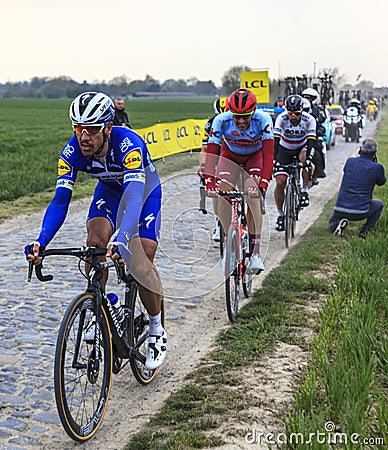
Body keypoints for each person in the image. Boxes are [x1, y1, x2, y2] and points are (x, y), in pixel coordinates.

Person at [25, 91, 166, 370]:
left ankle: (156, 328)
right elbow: (60, 200)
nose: (83, 136)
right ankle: (101, 306)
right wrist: (41, 241)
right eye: (78, 128)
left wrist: (124, 238)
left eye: (91, 129)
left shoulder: (129, 144)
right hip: (110, 192)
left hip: (144, 193)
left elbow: (135, 197)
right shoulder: (71, 152)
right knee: (94, 242)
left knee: (141, 261)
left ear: (108, 128)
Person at [204, 88, 274, 273]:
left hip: (255, 157)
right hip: (230, 157)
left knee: (253, 196)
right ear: (230, 113)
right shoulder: (221, 120)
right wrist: (210, 182)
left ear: (253, 112)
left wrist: (263, 185)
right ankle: (228, 241)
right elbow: (212, 153)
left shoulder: (264, 120)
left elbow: (268, 156)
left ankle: (256, 253)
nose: (241, 121)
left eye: (246, 116)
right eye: (237, 117)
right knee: (222, 193)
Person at [273, 94, 316, 232]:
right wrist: (274, 159)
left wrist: (308, 160)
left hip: (301, 147)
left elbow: (311, 143)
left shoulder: (309, 120)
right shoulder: (281, 118)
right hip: (284, 148)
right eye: (290, 113)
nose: (293, 116)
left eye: (296, 113)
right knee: (280, 182)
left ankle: (304, 190)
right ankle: (280, 214)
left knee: (307, 162)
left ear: (302, 111)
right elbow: (275, 141)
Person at [328, 138, 386, 238]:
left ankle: (338, 224)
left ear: (360, 149)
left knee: (330, 225)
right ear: (375, 152)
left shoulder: (349, 161)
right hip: (361, 211)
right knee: (379, 205)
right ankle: (364, 232)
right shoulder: (377, 167)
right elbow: (381, 182)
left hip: (340, 208)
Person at [198, 97, 230, 242]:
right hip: (217, 153)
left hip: (235, 152)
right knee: (217, 189)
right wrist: (204, 167)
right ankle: (219, 223)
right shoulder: (210, 124)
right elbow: (205, 149)